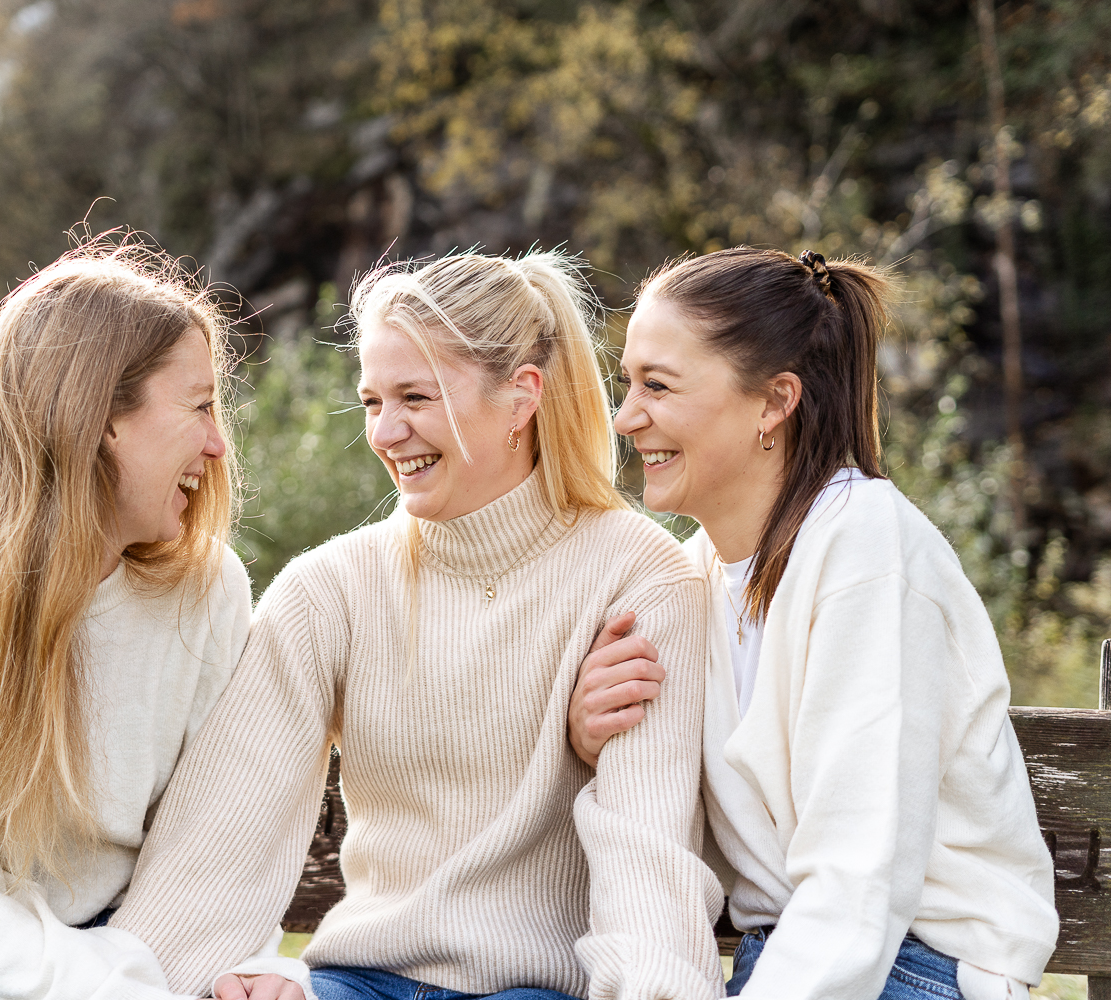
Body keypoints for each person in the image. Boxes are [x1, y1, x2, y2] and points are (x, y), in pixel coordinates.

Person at [105, 251, 726, 1000]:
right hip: (356, 981)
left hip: (534, 988)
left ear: (521, 397)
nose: (388, 431)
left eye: (416, 397)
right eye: (372, 402)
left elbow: (648, 854)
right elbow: (220, 833)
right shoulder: (330, 591)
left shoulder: (638, 577)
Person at [0, 243, 310, 1000]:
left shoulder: (208, 592)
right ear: (103, 417)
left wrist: (252, 966)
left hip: (150, 941)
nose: (217, 445)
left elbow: (216, 840)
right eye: (201, 405)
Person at [568, 247, 1060, 1000]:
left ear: (773, 403)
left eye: (657, 386)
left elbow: (857, 884)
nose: (626, 417)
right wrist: (592, 743)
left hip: (908, 968)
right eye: (628, 383)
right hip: (791, 960)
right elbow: (693, 848)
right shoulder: (689, 576)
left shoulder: (867, 550)